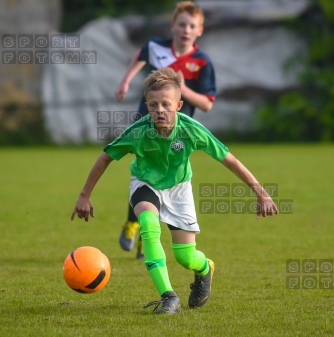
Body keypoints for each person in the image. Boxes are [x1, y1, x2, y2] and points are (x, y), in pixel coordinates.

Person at [72, 68, 278, 314]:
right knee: (148, 225)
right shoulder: (138, 131)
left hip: (179, 190)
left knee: (185, 257)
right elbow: (105, 157)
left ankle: (204, 269)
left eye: (166, 104)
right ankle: (168, 296)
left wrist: (261, 193)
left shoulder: (192, 129)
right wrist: (85, 195)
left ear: (179, 105)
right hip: (145, 183)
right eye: (153, 104)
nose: (159, 110)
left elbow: (230, 160)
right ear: (146, 105)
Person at [114, 1, 216, 259]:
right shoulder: (156, 46)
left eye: (192, 25)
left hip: (179, 132)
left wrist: (181, 87)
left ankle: (144, 233)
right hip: (147, 122)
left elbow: (206, 104)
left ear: (199, 30)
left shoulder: (202, 62)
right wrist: (126, 81)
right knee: (145, 171)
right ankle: (134, 224)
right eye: (181, 24)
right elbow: (140, 56)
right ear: (173, 26)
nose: (186, 29)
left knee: (164, 179)